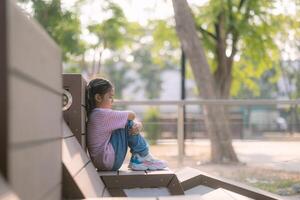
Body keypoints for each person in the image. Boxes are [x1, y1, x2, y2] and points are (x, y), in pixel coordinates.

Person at [86, 78, 167, 171]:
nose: (112, 101)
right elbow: (131, 115)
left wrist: (136, 124)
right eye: (110, 97)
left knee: (124, 121)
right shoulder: (101, 114)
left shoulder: (95, 114)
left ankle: (141, 157)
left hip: (103, 162)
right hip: (108, 160)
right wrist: (136, 124)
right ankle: (143, 156)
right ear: (98, 98)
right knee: (126, 122)